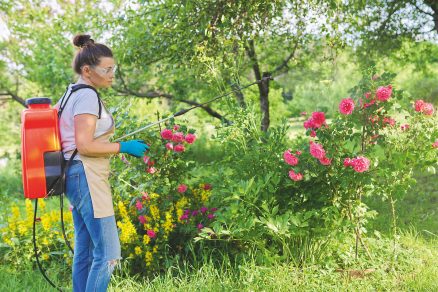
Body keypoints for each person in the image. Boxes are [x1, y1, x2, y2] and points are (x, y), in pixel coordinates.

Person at [55, 34, 148, 292]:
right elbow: (84, 145)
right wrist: (123, 147)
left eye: (113, 68)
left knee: (84, 251)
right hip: (87, 176)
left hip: (75, 176)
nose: (111, 74)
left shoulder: (70, 93)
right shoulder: (86, 96)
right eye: (106, 69)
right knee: (108, 254)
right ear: (87, 70)